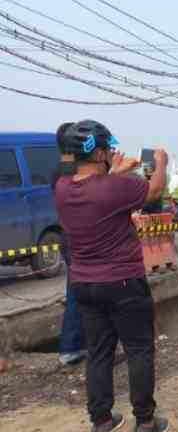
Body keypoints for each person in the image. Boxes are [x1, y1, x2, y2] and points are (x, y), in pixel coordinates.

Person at [55, 120, 170, 432]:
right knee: (138, 350)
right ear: (102, 152)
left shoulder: (63, 188)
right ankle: (145, 422)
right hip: (123, 282)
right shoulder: (115, 188)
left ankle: (101, 421)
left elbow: (95, 189)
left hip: (84, 285)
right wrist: (160, 163)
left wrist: (115, 172)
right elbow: (155, 190)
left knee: (99, 352)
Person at [53, 122, 85, 366]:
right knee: (78, 294)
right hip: (78, 240)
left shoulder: (58, 171)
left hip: (70, 239)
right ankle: (72, 347)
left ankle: (78, 345)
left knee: (77, 292)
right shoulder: (72, 172)